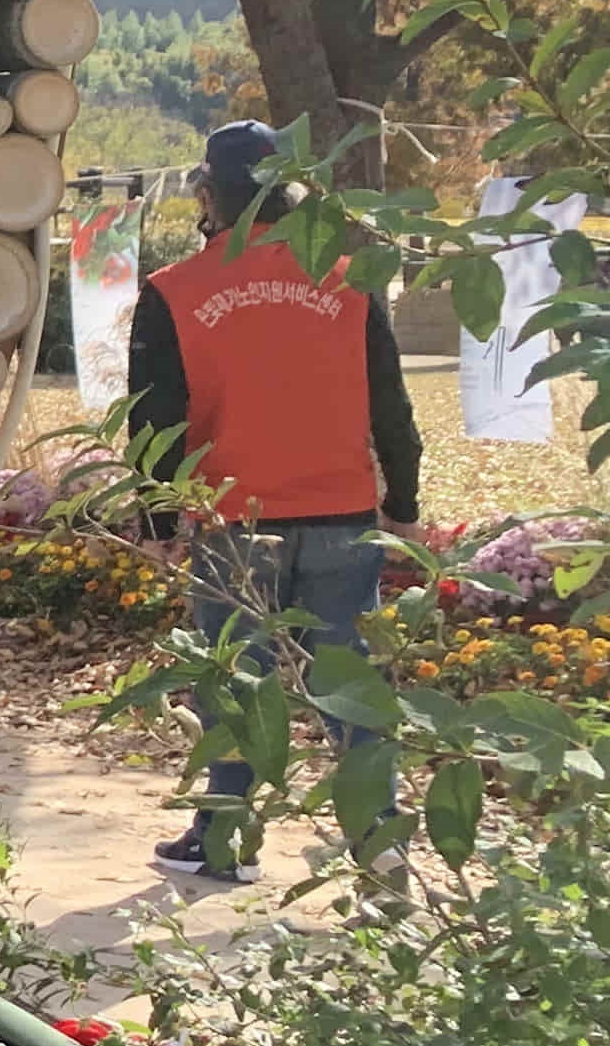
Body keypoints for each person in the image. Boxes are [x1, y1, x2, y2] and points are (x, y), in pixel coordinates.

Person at [125, 120, 423, 881]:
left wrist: (157, 519)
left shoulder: (173, 291)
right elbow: (390, 402)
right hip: (340, 513)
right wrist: (405, 502)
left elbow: (155, 418)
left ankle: (224, 840)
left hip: (234, 518)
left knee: (236, 684)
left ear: (208, 194)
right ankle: (379, 840)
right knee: (349, 681)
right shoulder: (350, 279)